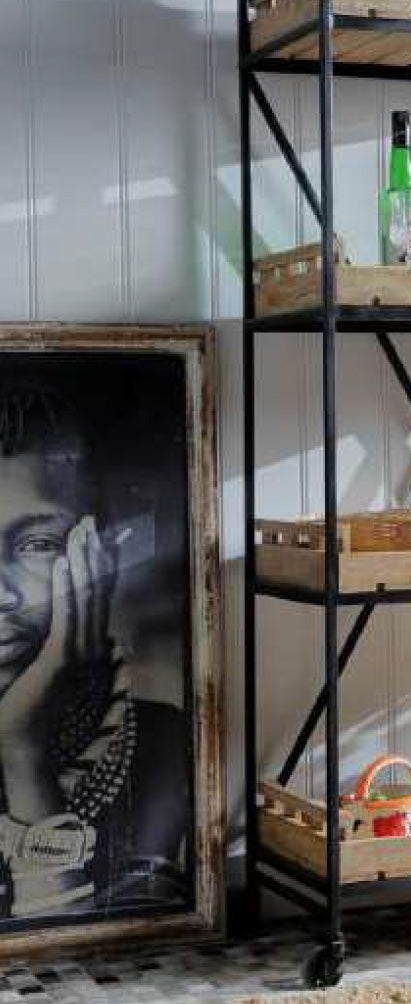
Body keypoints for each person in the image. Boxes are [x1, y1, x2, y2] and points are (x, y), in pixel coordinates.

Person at [0, 381, 189, 918]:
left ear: (101, 558)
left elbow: (72, 953)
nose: (3, 594)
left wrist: (24, 754)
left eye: (36, 545)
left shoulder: (166, 747)